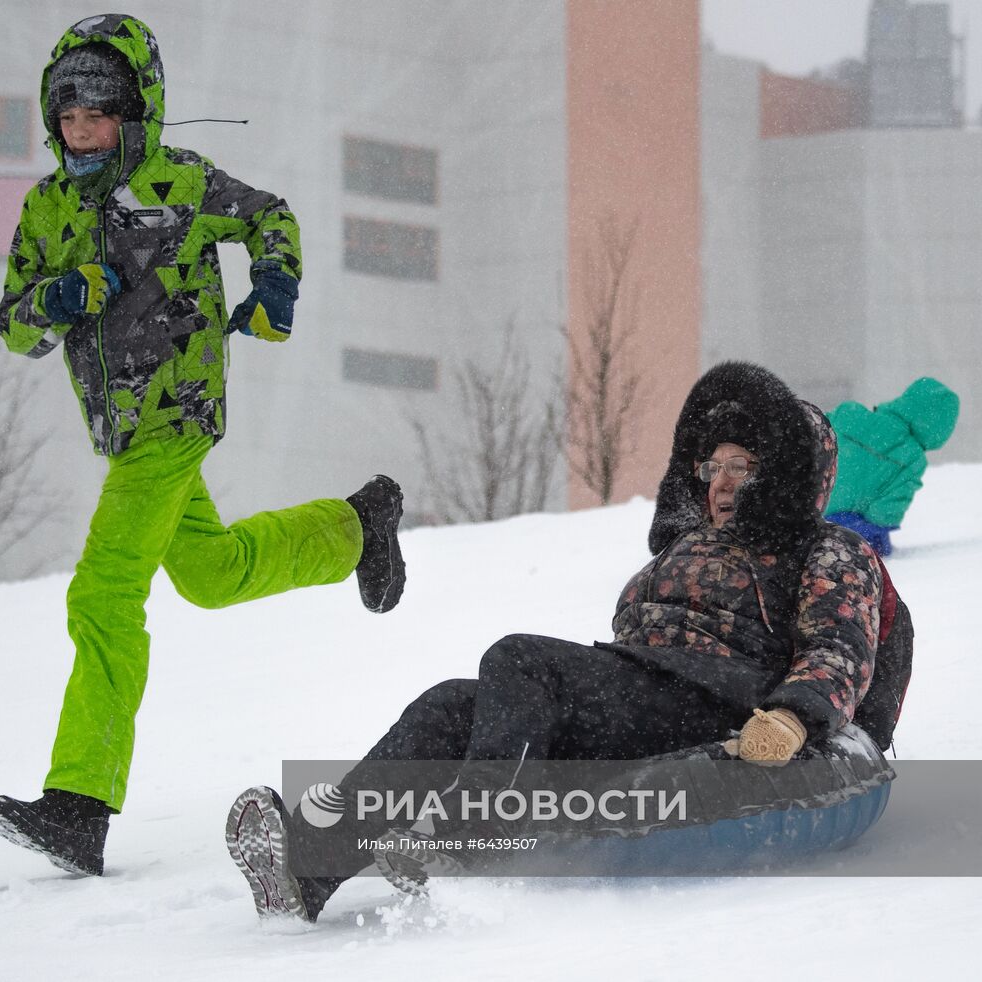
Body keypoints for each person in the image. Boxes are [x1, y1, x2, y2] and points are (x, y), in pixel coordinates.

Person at [225, 361, 884, 923]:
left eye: (744, 465)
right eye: (714, 464)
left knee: (522, 660)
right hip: (644, 694)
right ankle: (307, 871)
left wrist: (796, 718)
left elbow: (839, 644)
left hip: (720, 704)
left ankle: (471, 835)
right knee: (453, 704)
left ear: (792, 476)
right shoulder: (684, 550)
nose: (721, 480)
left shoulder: (824, 549)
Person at [0, 13, 406, 877]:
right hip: (120, 428)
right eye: (68, 120)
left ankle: (80, 803)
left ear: (136, 113)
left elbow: (269, 218)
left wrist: (275, 283)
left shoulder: (180, 182)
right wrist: (58, 299)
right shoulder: (47, 207)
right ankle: (357, 527)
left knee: (103, 595)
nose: (83, 134)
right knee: (209, 575)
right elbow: (13, 327)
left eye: (99, 117)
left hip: (175, 413)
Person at [825, 376, 960, 556]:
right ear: (939, 430)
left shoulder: (851, 413)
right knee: (879, 546)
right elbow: (884, 511)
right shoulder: (912, 459)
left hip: (804, 501)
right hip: (843, 525)